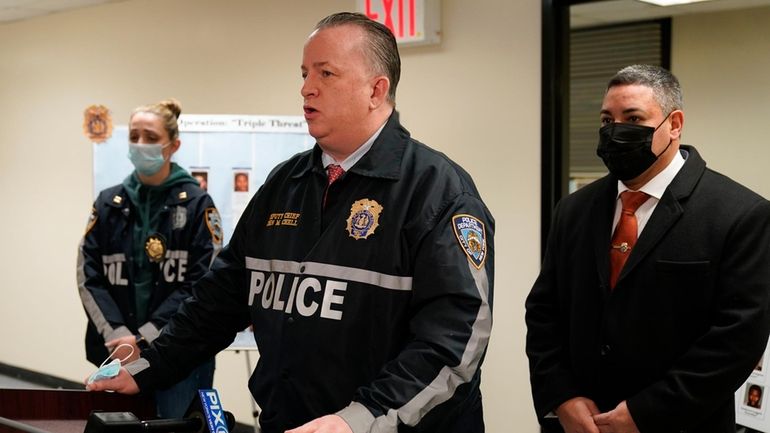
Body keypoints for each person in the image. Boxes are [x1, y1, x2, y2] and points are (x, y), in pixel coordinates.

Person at [86, 12, 494, 433]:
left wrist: (357, 420)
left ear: (376, 90)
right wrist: (147, 367)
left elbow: (454, 344)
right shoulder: (286, 183)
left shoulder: (437, 192)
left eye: (326, 73)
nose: (306, 88)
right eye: (303, 73)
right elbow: (218, 301)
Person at [525, 64, 770, 433]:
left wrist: (645, 412)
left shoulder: (739, 214)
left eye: (633, 118)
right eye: (607, 119)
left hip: (680, 423)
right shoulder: (574, 210)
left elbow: (737, 339)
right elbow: (544, 312)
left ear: (674, 124)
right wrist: (561, 397)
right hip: (581, 423)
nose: (614, 131)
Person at [78, 99, 222, 418]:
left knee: (172, 426)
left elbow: (202, 284)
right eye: (134, 136)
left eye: (151, 138)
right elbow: (88, 275)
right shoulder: (108, 203)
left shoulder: (198, 205)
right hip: (116, 352)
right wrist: (117, 335)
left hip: (179, 354)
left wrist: (145, 337)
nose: (141, 145)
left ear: (173, 146)